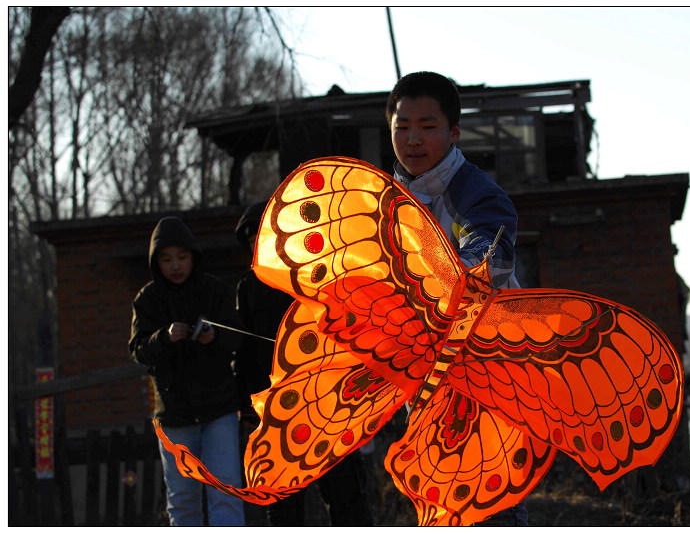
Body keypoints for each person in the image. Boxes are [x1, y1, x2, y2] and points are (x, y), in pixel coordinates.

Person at [386, 71, 527, 526]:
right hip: (424, 371)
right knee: (437, 492)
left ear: (454, 132)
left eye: (427, 127)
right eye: (402, 126)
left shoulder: (475, 192)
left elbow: (490, 246)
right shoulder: (386, 202)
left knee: (490, 492)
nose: (413, 139)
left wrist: (451, 276)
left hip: (488, 364)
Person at [234, 202, 374, 526]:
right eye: (252, 236)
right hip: (277, 410)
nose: (260, 240)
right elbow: (243, 352)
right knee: (282, 500)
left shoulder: (314, 276)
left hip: (329, 403)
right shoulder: (248, 287)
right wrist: (248, 406)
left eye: (264, 232)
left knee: (346, 492)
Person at [129, 216, 245, 526]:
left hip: (219, 409)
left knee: (227, 490)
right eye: (166, 259)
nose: (176, 266)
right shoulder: (147, 300)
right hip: (174, 415)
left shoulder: (214, 289)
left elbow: (236, 337)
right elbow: (138, 351)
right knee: (182, 501)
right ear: (156, 263)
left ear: (193, 255)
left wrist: (215, 336)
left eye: (181, 257)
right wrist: (163, 338)